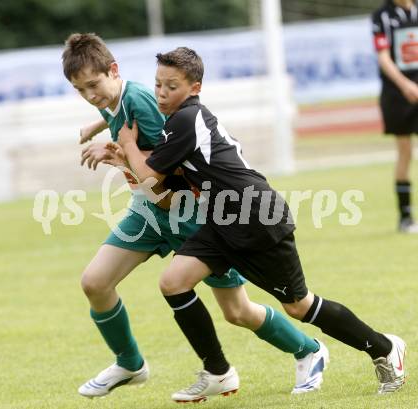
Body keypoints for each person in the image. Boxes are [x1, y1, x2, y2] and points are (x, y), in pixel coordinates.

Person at [117, 46, 407, 398]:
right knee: (174, 282)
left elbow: (150, 176)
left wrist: (128, 145)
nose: (162, 93)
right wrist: (122, 157)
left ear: (195, 88)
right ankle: (217, 371)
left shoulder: (184, 119)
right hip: (223, 219)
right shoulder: (180, 121)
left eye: (172, 86)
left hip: (257, 216)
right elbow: (171, 178)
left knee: (299, 306)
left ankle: (384, 349)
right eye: (158, 84)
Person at [61, 33, 328, 402]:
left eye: (93, 85)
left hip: (187, 213)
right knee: (95, 282)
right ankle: (130, 363)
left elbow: (170, 168)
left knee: (237, 311)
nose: (91, 96)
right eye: (80, 90)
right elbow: (123, 125)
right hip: (149, 210)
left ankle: (307, 349)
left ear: (114, 71)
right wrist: (100, 128)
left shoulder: (140, 99)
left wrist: (119, 153)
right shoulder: (113, 97)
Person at [372, 0, 418, 233]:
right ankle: (406, 218)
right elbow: (383, 56)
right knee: (405, 151)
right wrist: (405, 85)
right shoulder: (382, 16)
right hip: (397, 94)